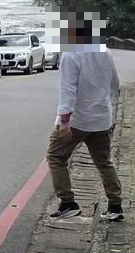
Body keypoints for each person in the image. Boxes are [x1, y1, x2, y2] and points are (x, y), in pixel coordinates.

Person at [46, 17, 123, 221]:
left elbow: (68, 90)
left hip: (78, 119)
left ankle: (68, 202)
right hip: (101, 118)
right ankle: (115, 206)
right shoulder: (105, 52)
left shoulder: (71, 55)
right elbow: (115, 85)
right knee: (104, 162)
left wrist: (64, 121)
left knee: (56, 156)